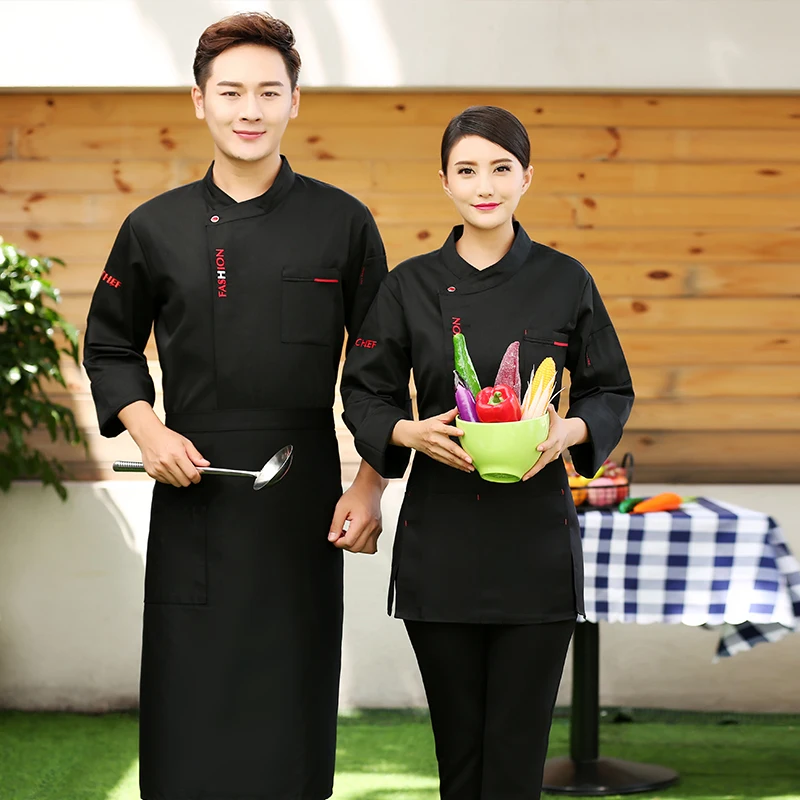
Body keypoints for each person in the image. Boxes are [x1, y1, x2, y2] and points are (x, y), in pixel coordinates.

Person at [83, 12, 388, 800]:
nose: (248, 109)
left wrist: (369, 485)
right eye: (231, 91)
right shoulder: (153, 228)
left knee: (292, 711)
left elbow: (378, 368)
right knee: (191, 719)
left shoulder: (343, 223)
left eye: (267, 91)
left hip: (304, 501)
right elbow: (110, 346)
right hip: (196, 499)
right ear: (199, 100)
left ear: (295, 102)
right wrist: (148, 430)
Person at [340, 105, 635, 799]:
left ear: (526, 177)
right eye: (467, 169)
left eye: (501, 168)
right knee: (460, 758)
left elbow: (610, 387)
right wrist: (408, 433)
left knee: (515, 757)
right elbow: (365, 393)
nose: (485, 185)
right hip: (439, 548)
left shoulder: (567, 280)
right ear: (444, 181)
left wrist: (570, 431)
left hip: (535, 548)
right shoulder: (407, 286)